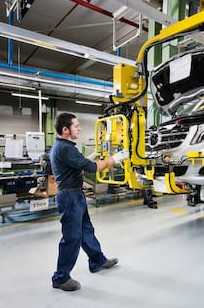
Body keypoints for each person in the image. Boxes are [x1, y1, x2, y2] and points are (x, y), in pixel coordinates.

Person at [50, 113, 129, 292]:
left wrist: (93, 156)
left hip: (75, 195)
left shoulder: (65, 146)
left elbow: (80, 164)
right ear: (65, 129)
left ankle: (97, 260)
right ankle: (61, 277)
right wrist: (116, 158)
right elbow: (92, 168)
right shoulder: (64, 148)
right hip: (70, 197)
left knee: (86, 230)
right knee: (72, 237)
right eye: (76, 126)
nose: (79, 128)